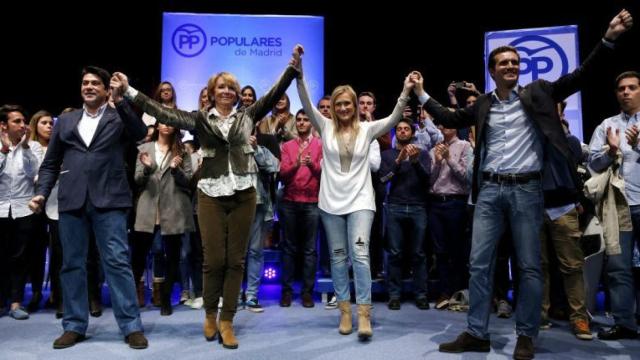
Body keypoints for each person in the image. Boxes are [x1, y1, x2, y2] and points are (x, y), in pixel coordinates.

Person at [417, 10, 633, 360]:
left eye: (514, 62)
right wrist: (422, 94)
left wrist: (608, 38)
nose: (510, 66)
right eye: (503, 62)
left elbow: (581, 75)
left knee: (530, 266)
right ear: (492, 71)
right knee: (479, 264)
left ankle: (526, 335)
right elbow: (450, 118)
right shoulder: (484, 103)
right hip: (488, 191)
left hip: (527, 191)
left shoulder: (539, 93)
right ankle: (476, 332)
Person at [115, 46, 301, 349]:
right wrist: (130, 91)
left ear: (237, 93)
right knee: (214, 260)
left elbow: (272, 94)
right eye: (221, 87)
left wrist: (292, 69)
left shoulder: (248, 115)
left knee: (235, 260)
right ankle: (210, 314)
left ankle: (227, 321)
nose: (227, 91)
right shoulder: (200, 119)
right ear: (212, 93)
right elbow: (163, 112)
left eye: (231, 87)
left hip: (244, 193)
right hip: (210, 193)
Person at [296, 44, 416, 340]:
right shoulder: (323, 126)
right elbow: (305, 101)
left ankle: (364, 314)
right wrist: (298, 73)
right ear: (334, 107)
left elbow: (393, 117)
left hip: (362, 201)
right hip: (330, 203)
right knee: (338, 258)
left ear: (355, 105)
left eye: (349, 104)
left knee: (360, 255)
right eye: (339, 104)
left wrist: (405, 90)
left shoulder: (368, 129)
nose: (344, 108)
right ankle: (345, 312)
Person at [30, 66, 148, 349]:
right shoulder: (66, 121)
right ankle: (74, 325)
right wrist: (41, 194)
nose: (89, 86)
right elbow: (50, 163)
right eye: (85, 82)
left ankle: (131, 326)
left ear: (107, 89)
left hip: (110, 200)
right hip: (71, 201)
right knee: (71, 265)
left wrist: (120, 101)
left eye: (96, 83)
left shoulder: (117, 115)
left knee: (117, 263)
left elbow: (140, 132)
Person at [587, 70, 640, 340]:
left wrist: (638, 145)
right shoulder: (607, 125)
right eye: (622, 89)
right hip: (619, 205)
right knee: (618, 267)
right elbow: (592, 165)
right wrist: (610, 151)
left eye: (632, 87)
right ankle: (625, 323)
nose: (626, 92)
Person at [133, 122, 194, 316]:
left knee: (172, 256)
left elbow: (190, 182)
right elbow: (137, 180)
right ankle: (132, 296)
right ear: (157, 126)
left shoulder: (182, 150)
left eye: (171, 123)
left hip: (173, 206)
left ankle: (166, 298)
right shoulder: (144, 148)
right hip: (148, 206)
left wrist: (176, 170)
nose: (167, 126)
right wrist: (147, 168)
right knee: (139, 256)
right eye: (163, 123)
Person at [379, 119, 430, 310]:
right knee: (395, 253)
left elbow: (428, 181)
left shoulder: (423, 155)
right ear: (395, 134)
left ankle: (421, 295)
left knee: (418, 253)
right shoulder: (387, 155)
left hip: (418, 207)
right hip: (395, 207)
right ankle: (394, 295)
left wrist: (415, 163)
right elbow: (383, 179)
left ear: (412, 133)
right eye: (399, 129)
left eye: (406, 129)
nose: (402, 132)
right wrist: (398, 162)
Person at [0, 104, 44, 320]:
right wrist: (4, 150)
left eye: (23, 121)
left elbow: (33, 173)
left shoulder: (33, 146)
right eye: (16, 121)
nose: (22, 125)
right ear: (3, 126)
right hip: (0, 209)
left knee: (19, 257)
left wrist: (24, 147)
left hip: (24, 209)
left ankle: (16, 302)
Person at [278, 109, 322, 308]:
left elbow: (324, 174)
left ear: (311, 123)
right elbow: (283, 175)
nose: (302, 123)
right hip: (290, 201)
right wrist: (296, 164)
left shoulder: (320, 145)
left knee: (310, 250)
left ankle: (307, 292)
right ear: (296, 123)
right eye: (300, 120)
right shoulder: (287, 146)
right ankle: (286, 292)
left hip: (312, 202)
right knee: (289, 249)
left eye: (306, 120)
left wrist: (311, 165)